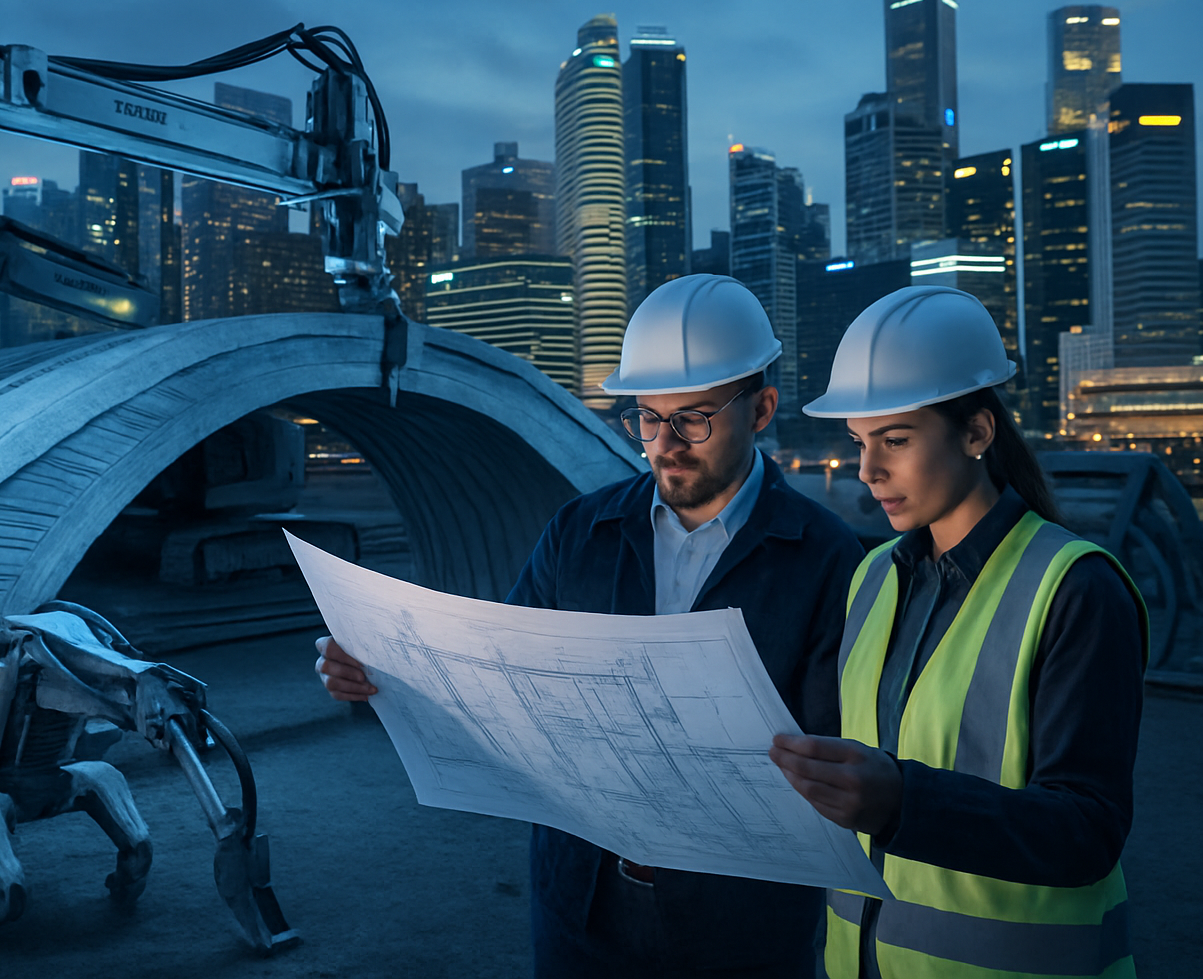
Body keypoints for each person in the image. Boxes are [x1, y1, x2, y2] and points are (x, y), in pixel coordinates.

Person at [318, 274, 865, 978]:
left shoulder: (827, 558)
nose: (665, 443)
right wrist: (376, 678)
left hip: (742, 927)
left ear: (761, 409)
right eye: (646, 416)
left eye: (692, 418)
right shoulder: (580, 532)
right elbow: (489, 679)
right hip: (580, 905)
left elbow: (839, 755)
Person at [767, 286, 1147, 979]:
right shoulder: (873, 577)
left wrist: (903, 802)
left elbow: (1087, 831)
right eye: (858, 441)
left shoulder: (1076, 589)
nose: (867, 470)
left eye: (897, 440)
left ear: (976, 433)